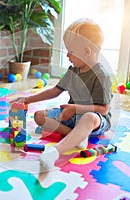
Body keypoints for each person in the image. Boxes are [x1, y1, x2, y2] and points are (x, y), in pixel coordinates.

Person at [11, 18, 113, 170]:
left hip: (95, 119)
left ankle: (55, 152)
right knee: (39, 116)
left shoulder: (101, 76)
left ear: (86, 51)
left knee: (89, 118)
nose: (67, 56)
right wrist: (28, 99)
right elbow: (54, 91)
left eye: (71, 51)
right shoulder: (73, 71)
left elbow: (103, 109)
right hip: (70, 115)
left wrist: (75, 108)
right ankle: (76, 135)